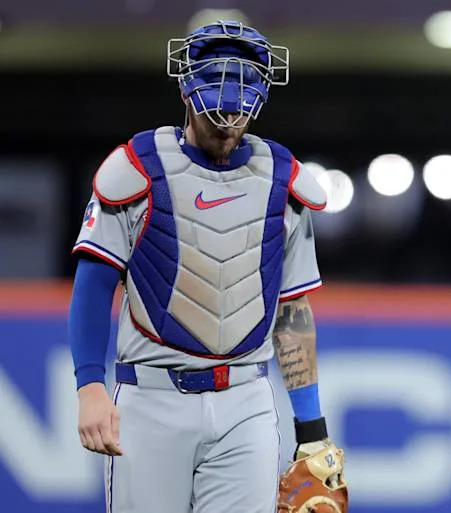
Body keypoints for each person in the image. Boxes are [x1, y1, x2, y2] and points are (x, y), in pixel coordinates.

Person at [67, 20, 347, 512]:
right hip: (151, 396)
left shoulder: (285, 180)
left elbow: (290, 312)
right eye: (218, 80)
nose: (230, 102)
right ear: (186, 87)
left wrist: (312, 431)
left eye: (243, 85)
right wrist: (90, 387)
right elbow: (93, 284)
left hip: (245, 398)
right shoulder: (138, 165)